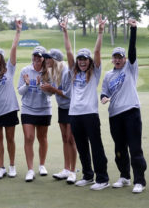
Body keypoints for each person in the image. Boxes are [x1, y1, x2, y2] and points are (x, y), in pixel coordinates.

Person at [60, 15, 110, 190]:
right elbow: (68, 52)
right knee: (81, 146)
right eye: (80, 59)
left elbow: (97, 52)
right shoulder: (73, 72)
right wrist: (65, 31)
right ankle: (88, 175)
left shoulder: (95, 72)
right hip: (74, 114)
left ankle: (102, 178)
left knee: (95, 146)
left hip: (90, 114)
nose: (81, 61)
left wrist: (100, 32)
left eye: (84, 59)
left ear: (89, 62)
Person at [101, 19, 147, 194]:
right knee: (119, 148)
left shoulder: (130, 68)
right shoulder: (108, 75)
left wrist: (133, 29)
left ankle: (140, 181)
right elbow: (104, 92)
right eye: (115, 57)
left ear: (125, 59)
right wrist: (104, 98)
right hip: (115, 115)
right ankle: (124, 176)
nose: (118, 60)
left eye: (120, 57)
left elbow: (132, 50)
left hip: (131, 112)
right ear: (112, 59)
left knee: (135, 147)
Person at [0, 20, 22, 179]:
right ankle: (1, 167)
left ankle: (12, 166)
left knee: (10, 139)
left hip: (9, 109)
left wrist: (18, 31)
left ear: (1, 57)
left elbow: (14, 48)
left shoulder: (9, 69)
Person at [42, 49, 77, 184]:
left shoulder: (67, 71)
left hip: (71, 108)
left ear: (55, 59)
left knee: (71, 139)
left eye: (48, 58)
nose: (46, 61)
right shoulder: (52, 72)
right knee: (64, 139)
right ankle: (66, 169)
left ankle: (73, 172)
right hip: (62, 108)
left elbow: (68, 93)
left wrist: (52, 89)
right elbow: (51, 93)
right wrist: (44, 88)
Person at [18, 45, 52, 182]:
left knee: (42, 137)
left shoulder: (48, 72)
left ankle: (42, 165)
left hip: (43, 108)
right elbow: (20, 91)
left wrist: (40, 85)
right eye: (35, 56)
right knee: (28, 137)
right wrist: (27, 84)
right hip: (27, 108)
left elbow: (50, 93)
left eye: (40, 56)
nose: (37, 59)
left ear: (44, 58)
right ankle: (30, 169)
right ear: (32, 57)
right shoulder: (25, 70)